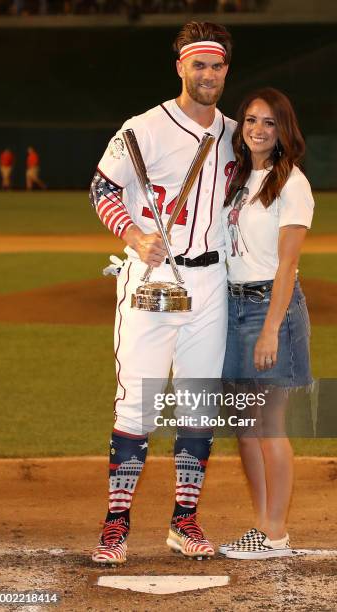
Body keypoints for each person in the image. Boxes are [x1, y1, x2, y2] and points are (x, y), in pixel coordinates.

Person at [88, 21, 236, 564]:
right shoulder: (144, 128)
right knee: (137, 407)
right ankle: (116, 524)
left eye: (217, 66)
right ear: (180, 67)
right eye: (198, 64)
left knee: (199, 406)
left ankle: (185, 521)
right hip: (151, 281)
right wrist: (132, 232)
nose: (208, 74)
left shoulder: (233, 133)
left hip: (210, 283)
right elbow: (101, 187)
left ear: (226, 72)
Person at [219, 87, 314, 559]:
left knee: (268, 424)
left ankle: (275, 532)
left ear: (283, 130)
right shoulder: (238, 179)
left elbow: (287, 266)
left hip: (267, 308)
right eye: (251, 120)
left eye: (269, 122)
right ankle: (262, 526)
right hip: (232, 307)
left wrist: (272, 328)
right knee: (243, 424)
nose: (258, 129)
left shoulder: (291, 183)